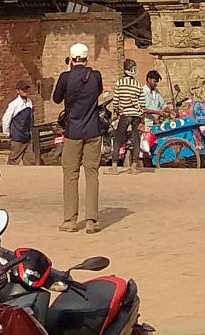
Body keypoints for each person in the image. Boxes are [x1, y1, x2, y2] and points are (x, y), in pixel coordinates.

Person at [54, 42, 104, 233]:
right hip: (92, 130)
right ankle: (91, 220)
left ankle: (70, 220)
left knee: (70, 174)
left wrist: (69, 73)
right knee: (92, 174)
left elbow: (57, 98)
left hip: (73, 132)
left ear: (71, 59)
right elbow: (98, 92)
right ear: (87, 58)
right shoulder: (95, 76)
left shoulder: (65, 77)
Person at [110, 62, 145, 171]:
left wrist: (117, 110)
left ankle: (114, 166)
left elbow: (116, 101)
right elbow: (142, 103)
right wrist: (141, 116)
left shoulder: (120, 83)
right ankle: (134, 166)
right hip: (136, 115)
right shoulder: (138, 85)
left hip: (125, 114)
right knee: (136, 139)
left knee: (118, 139)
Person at [1, 84, 38, 164]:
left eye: (26, 89)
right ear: (17, 91)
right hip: (17, 135)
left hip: (27, 136)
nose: (25, 91)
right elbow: (6, 118)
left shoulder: (29, 102)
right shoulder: (14, 104)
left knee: (30, 161)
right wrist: (7, 132)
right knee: (13, 161)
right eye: (22, 89)